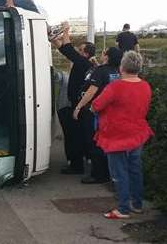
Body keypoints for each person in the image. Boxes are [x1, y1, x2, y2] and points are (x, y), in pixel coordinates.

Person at [91, 51, 154, 219]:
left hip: (116, 136)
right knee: (135, 170)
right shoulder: (145, 85)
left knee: (119, 173)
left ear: (122, 67)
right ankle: (137, 204)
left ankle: (123, 209)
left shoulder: (116, 86)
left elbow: (96, 105)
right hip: (137, 133)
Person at [73, 47, 123, 184]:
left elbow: (91, 91)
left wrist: (78, 107)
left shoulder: (100, 71)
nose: (101, 54)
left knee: (94, 142)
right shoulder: (118, 72)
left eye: (103, 52)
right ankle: (108, 172)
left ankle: (98, 175)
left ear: (107, 56)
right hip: (112, 113)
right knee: (107, 143)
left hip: (96, 113)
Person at [51, 26, 96, 174]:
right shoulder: (84, 63)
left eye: (81, 50)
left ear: (86, 54)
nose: (78, 51)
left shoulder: (83, 63)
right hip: (78, 105)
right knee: (77, 135)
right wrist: (54, 40)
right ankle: (79, 161)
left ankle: (76, 165)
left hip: (77, 106)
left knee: (74, 136)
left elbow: (69, 49)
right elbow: (66, 51)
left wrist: (65, 31)